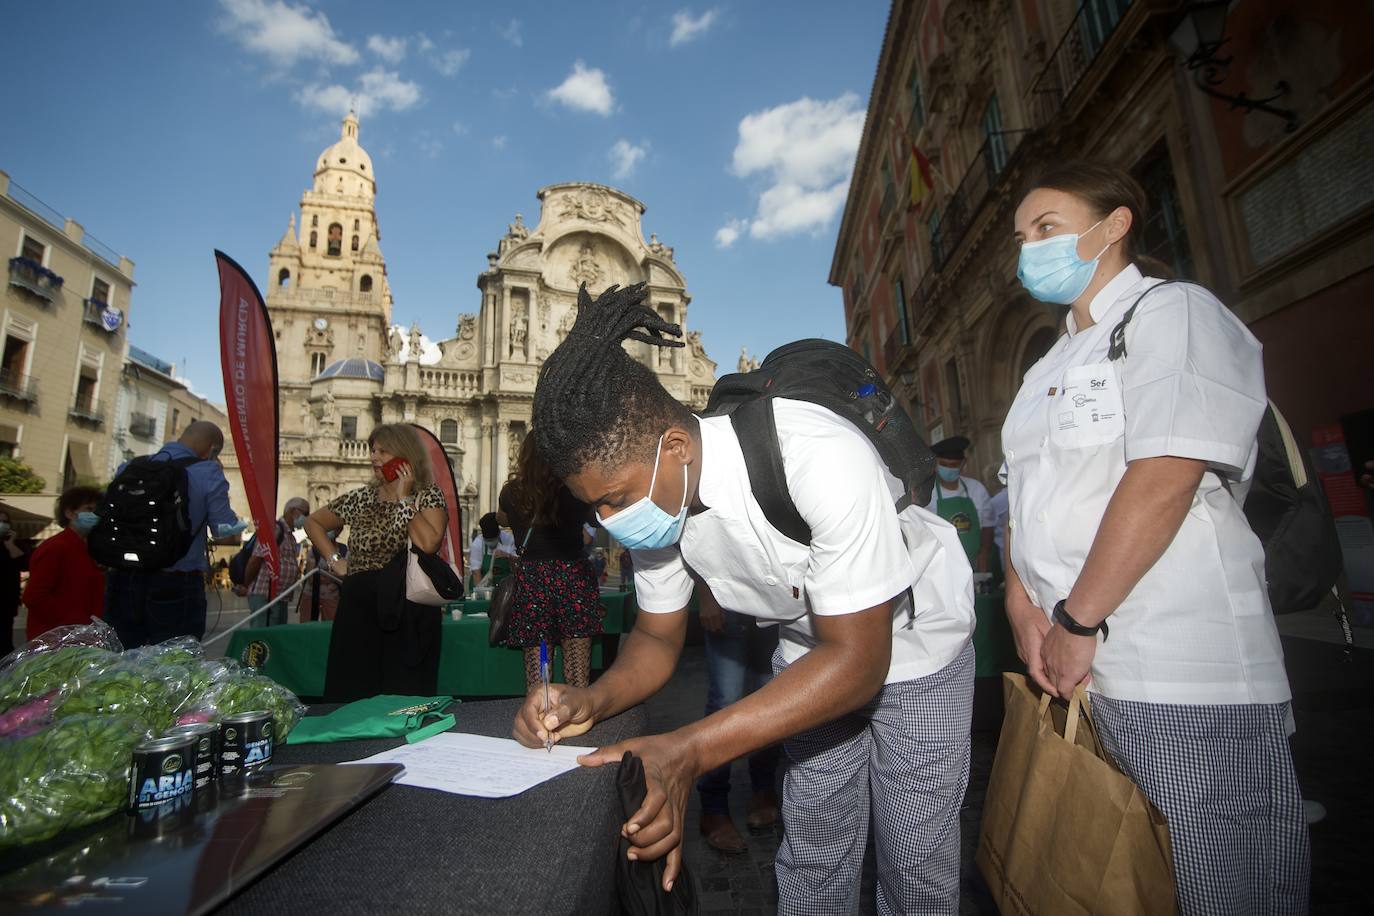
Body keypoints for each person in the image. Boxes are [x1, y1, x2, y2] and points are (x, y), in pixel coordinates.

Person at [511, 283, 975, 911]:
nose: (609, 521)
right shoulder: (658, 497)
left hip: (917, 647)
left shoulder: (813, 453)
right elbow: (654, 635)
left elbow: (860, 663)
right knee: (813, 849)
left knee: (917, 864)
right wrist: (591, 697)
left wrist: (690, 749)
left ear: (674, 447)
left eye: (614, 499)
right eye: (595, 507)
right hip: (811, 652)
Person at [1002, 160, 1308, 914]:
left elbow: (1166, 474)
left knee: (1222, 882)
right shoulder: (1046, 364)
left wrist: (1078, 618)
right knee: (1120, 875)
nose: (1028, 249)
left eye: (1047, 228)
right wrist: (1020, 604)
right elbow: (1021, 497)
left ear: (1114, 226)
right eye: (1021, 237)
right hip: (1073, 661)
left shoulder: (1175, 314)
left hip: (1177, 662)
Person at [304, 424, 448, 701]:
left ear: (405, 454)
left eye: (383, 450)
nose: (374, 456)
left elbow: (429, 543)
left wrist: (405, 499)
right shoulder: (360, 497)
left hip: (407, 604)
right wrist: (335, 560)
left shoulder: (427, 495)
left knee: (403, 688)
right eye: (372, 450)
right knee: (353, 685)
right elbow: (314, 522)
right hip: (359, 602)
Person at [104, 421, 244, 647]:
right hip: (177, 582)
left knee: (122, 657)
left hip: (123, 579)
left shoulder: (129, 467)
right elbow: (223, 529)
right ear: (212, 450)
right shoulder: (208, 472)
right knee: (175, 663)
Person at [497, 434, 603, 691]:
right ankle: (578, 719)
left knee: (538, 671)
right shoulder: (575, 490)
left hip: (534, 579)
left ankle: (541, 719)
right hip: (572, 576)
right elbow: (597, 516)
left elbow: (501, 519)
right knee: (577, 673)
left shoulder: (512, 492)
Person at [694, 580, 780, 854]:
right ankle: (714, 808)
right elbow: (698, 538)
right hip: (726, 603)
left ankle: (763, 790)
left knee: (771, 706)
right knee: (724, 704)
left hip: (771, 607)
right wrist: (706, 596)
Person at [21, 487, 105, 640]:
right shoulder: (56, 547)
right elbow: (34, 596)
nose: (94, 514)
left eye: (97, 510)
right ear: (69, 513)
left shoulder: (87, 549)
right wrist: (75, 624)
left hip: (80, 636)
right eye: (89, 509)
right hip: (56, 639)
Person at [920, 436, 996, 572]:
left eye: (954, 465)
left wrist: (984, 557)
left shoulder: (976, 489)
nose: (949, 469)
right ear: (936, 464)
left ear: (963, 464)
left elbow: (988, 526)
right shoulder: (928, 494)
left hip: (974, 563)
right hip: (941, 566)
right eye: (944, 464)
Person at [242, 497, 310, 626]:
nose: (306, 518)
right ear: (293, 511)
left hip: (280, 596)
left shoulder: (290, 535)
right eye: (305, 513)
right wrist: (246, 585)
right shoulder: (275, 529)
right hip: (265, 594)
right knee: (263, 636)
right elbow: (255, 559)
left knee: (275, 635)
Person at [298, 530, 346, 622]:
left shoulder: (343, 550)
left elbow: (344, 575)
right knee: (307, 626)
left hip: (332, 598)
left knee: (329, 628)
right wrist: (333, 575)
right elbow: (311, 578)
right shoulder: (315, 550)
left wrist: (322, 573)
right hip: (311, 597)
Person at [0, 509, 30, 655]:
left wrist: (10, 545)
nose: (2, 524)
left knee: (5, 643)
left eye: (5, 522)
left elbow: (25, 565)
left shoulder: (16, 544)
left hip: (7, 601)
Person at [468, 511, 516, 591]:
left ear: (499, 533)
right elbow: (476, 572)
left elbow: (517, 564)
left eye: (493, 539)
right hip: (481, 586)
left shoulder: (509, 540)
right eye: (488, 540)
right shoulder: (477, 543)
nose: (491, 542)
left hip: (505, 589)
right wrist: (481, 592)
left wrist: (508, 556)